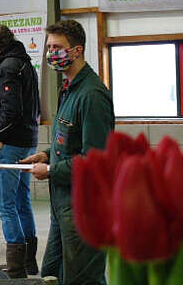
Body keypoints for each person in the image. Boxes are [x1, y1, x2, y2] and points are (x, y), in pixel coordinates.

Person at [21, 20, 114, 284]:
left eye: (58, 47)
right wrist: (48, 155)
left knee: (81, 277)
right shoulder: (69, 88)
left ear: (76, 50)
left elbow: (95, 158)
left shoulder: (92, 95)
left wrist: (50, 170)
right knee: (52, 272)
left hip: (85, 205)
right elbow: (72, 140)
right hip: (63, 202)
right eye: (49, 47)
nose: (51, 53)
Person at [0, 23, 41, 278]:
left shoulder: (8, 67)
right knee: (21, 201)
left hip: (10, 142)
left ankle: (16, 267)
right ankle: (28, 263)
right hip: (28, 137)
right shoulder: (25, 63)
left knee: (5, 204)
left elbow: (11, 108)